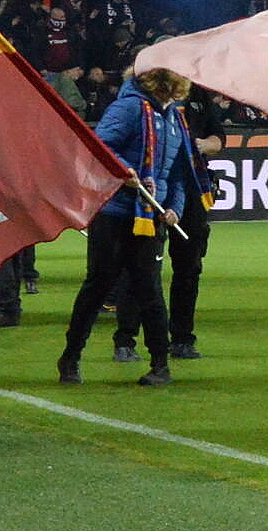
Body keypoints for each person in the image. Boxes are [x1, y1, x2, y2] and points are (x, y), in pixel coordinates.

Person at [57, 67, 200, 388]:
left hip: (150, 216)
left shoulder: (174, 117)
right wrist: (124, 171)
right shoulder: (129, 107)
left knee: (150, 290)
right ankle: (71, 357)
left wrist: (175, 208)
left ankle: (160, 365)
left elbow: (178, 172)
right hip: (114, 213)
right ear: (163, 83)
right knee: (98, 285)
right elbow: (99, 147)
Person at [114, 86, 219, 361]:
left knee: (189, 267)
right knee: (140, 266)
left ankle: (182, 338)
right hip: (150, 188)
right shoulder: (141, 100)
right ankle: (126, 339)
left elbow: (218, 137)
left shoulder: (198, 96)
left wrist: (202, 146)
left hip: (190, 189)